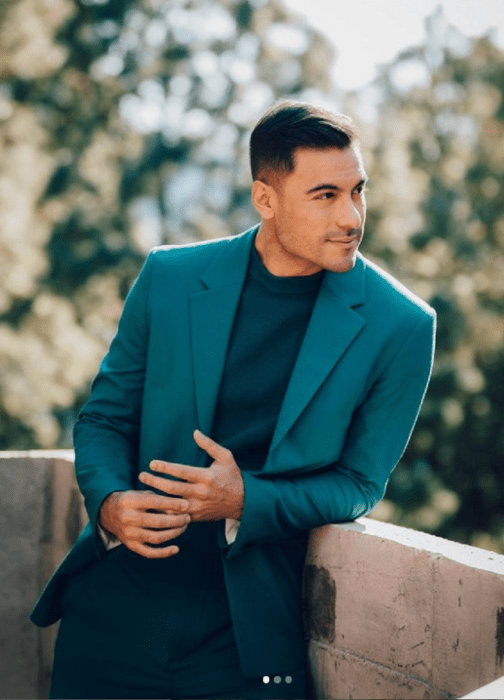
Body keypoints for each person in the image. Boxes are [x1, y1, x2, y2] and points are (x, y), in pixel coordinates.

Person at [30, 101, 436, 699]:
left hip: (247, 638)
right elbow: (104, 418)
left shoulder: (401, 327)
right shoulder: (169, 278)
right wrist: (111, 501)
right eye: (325, 195)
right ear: (266, 199)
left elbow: (359, 483)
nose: (351, 216)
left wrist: (248, 499)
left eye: (358, 191)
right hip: (112, 617)